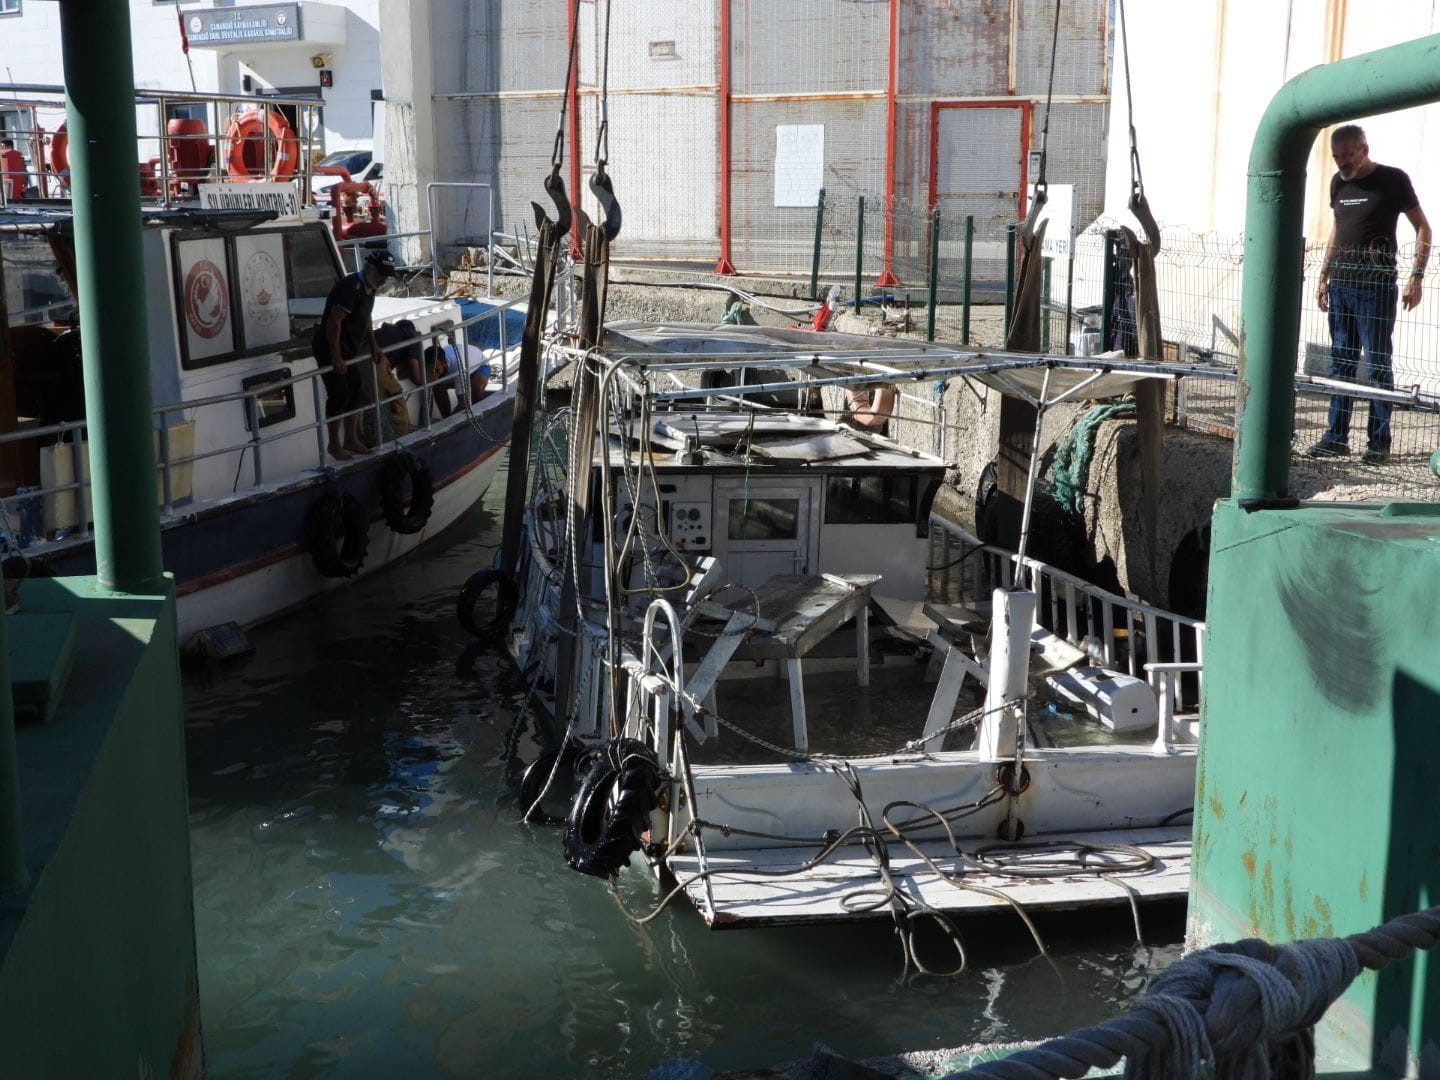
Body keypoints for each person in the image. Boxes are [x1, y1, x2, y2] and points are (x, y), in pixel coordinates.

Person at [1309, 124, 1431, 465]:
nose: (1342, 162)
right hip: (1342, 285)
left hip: (1376, 286)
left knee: (1378, 365)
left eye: (1348, 154)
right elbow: (1337, 228)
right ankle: (1336, 437)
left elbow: (1423, 226)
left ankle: (1378, 443)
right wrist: (1324, 275)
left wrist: (1416, 276)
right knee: (1341, 363)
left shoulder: (1393, 180)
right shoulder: (1338, 183)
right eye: (1337, 157)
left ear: (1364, 149)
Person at [312, 248, 396, 460]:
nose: (384, 279)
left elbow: (366, 318)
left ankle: (350, 438)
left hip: (349, 347)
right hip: (329, 346)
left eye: (386, 276)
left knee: (356, 390)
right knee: (338, 393)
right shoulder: (351, 287)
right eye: (381, 274)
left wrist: (373, 345)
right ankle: (333, 444)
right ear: (369, 269)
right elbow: (334, 322)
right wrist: (336, 356)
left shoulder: (370, 290)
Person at [368, 318, 419, 443]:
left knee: (369, 405)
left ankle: (371, 440)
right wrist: (431, 378)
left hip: (361, 365)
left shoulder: (383, 332)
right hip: (377, 364)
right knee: (397, 402)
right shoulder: (411, 336)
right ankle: (404, 439)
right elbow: (416, 377)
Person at [421, 334, 492, 419]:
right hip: (462, 367)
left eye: (436, 371)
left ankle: (482, 415)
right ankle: (445, 417)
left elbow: (463, 402)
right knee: (438, 386)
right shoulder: (434, 364)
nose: (434, 375)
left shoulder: (458, 366)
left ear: (445, 364)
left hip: (480, 365)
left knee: (476, 388)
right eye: (430, 371)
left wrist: (448, 423)